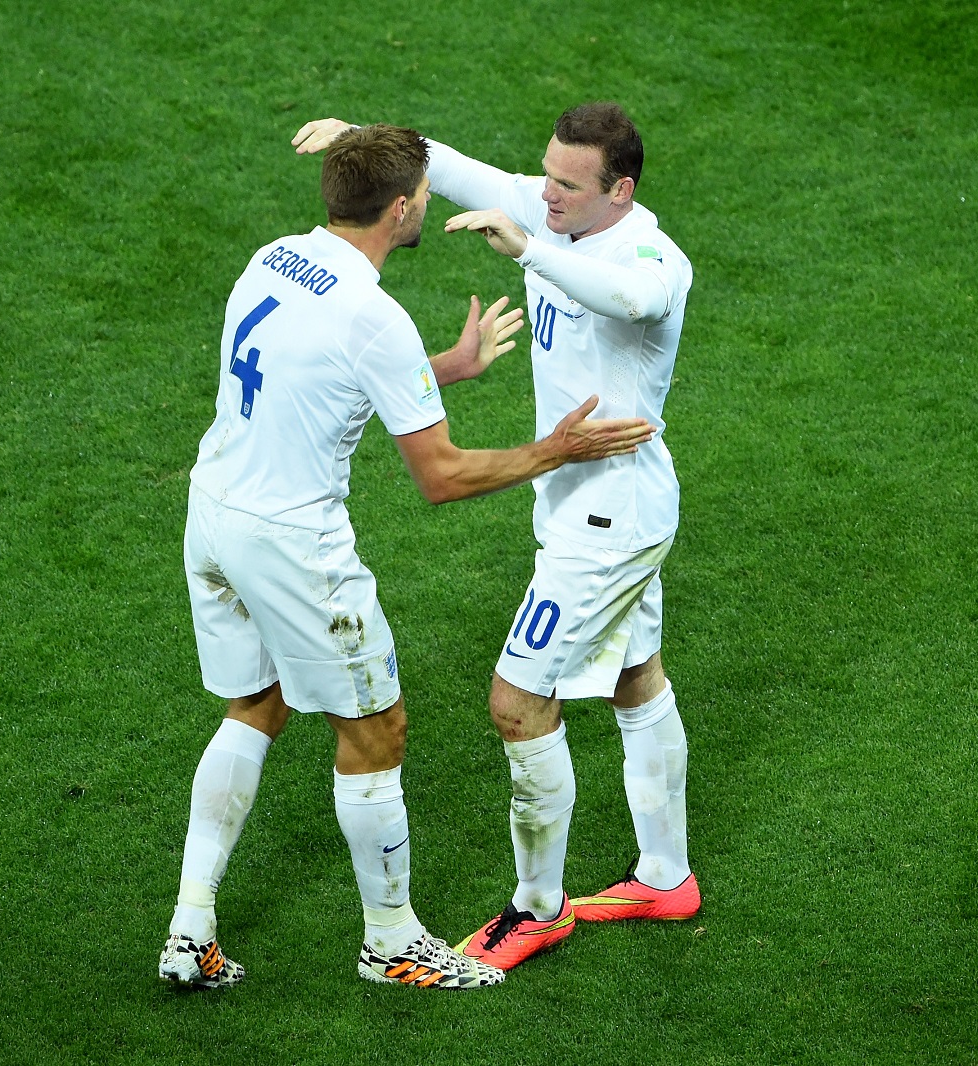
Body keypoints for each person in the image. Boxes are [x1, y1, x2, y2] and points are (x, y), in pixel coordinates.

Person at [161, 123, 657, 992]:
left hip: (213, 514)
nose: (430, 201)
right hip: (294, 544)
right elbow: (442, 476)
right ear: (401, 208)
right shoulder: (372, 313)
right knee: (376, 730)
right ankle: (392, 945)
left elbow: (313, 373)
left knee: (258, 703)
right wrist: (554, 452)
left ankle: (189, 927)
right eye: (423, 193)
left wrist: (447, 370)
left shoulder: (274, 256)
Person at [293, 104, 697, 973]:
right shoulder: (552, 205)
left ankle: (536, 909)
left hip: (609, 521)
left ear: (618, 190)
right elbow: (455, 164)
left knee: (517, 703)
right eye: (546, 172)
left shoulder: (649, 256)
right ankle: (666, 876)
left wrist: (530, 251)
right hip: (581, 506)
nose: (544, 191)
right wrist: (361, 138)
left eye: (567, 182)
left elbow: (633, 298)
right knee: (635, 678)